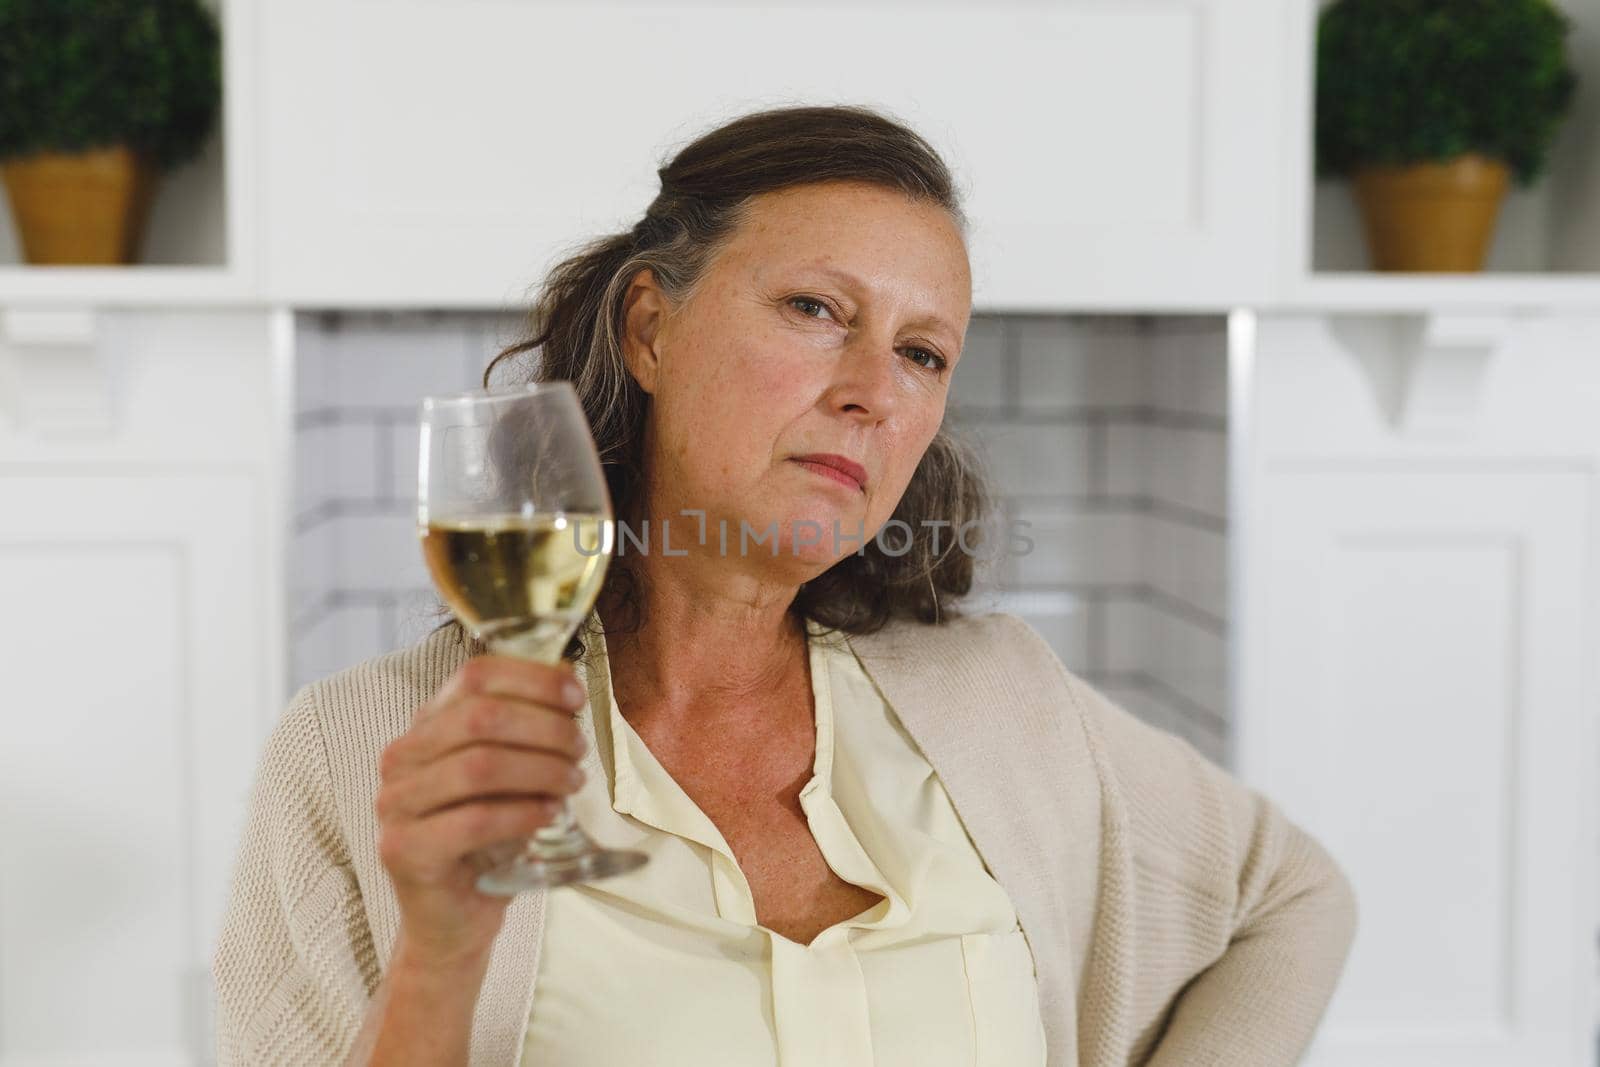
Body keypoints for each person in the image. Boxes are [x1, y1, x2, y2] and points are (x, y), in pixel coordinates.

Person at [212, 104, 1357, 1067]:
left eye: (923, 353)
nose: (873, 389)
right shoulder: (358, 751)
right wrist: (441, 961)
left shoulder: (1001, 699)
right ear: (651, 328)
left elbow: (1290, 895)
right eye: (817, 309)